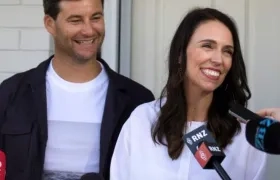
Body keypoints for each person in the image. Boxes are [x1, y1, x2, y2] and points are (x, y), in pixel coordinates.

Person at [0, 0, 154, 180]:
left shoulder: (137, 101)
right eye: (76, 20)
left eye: (96, 18)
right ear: (50, 24)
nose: (89, 30)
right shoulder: (12, 94)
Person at [110, 7, 267, 180]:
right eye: (208, 46)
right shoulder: (142, 120)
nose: (218, 60)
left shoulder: (245, 135)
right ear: (180, 54)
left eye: (227, 51)